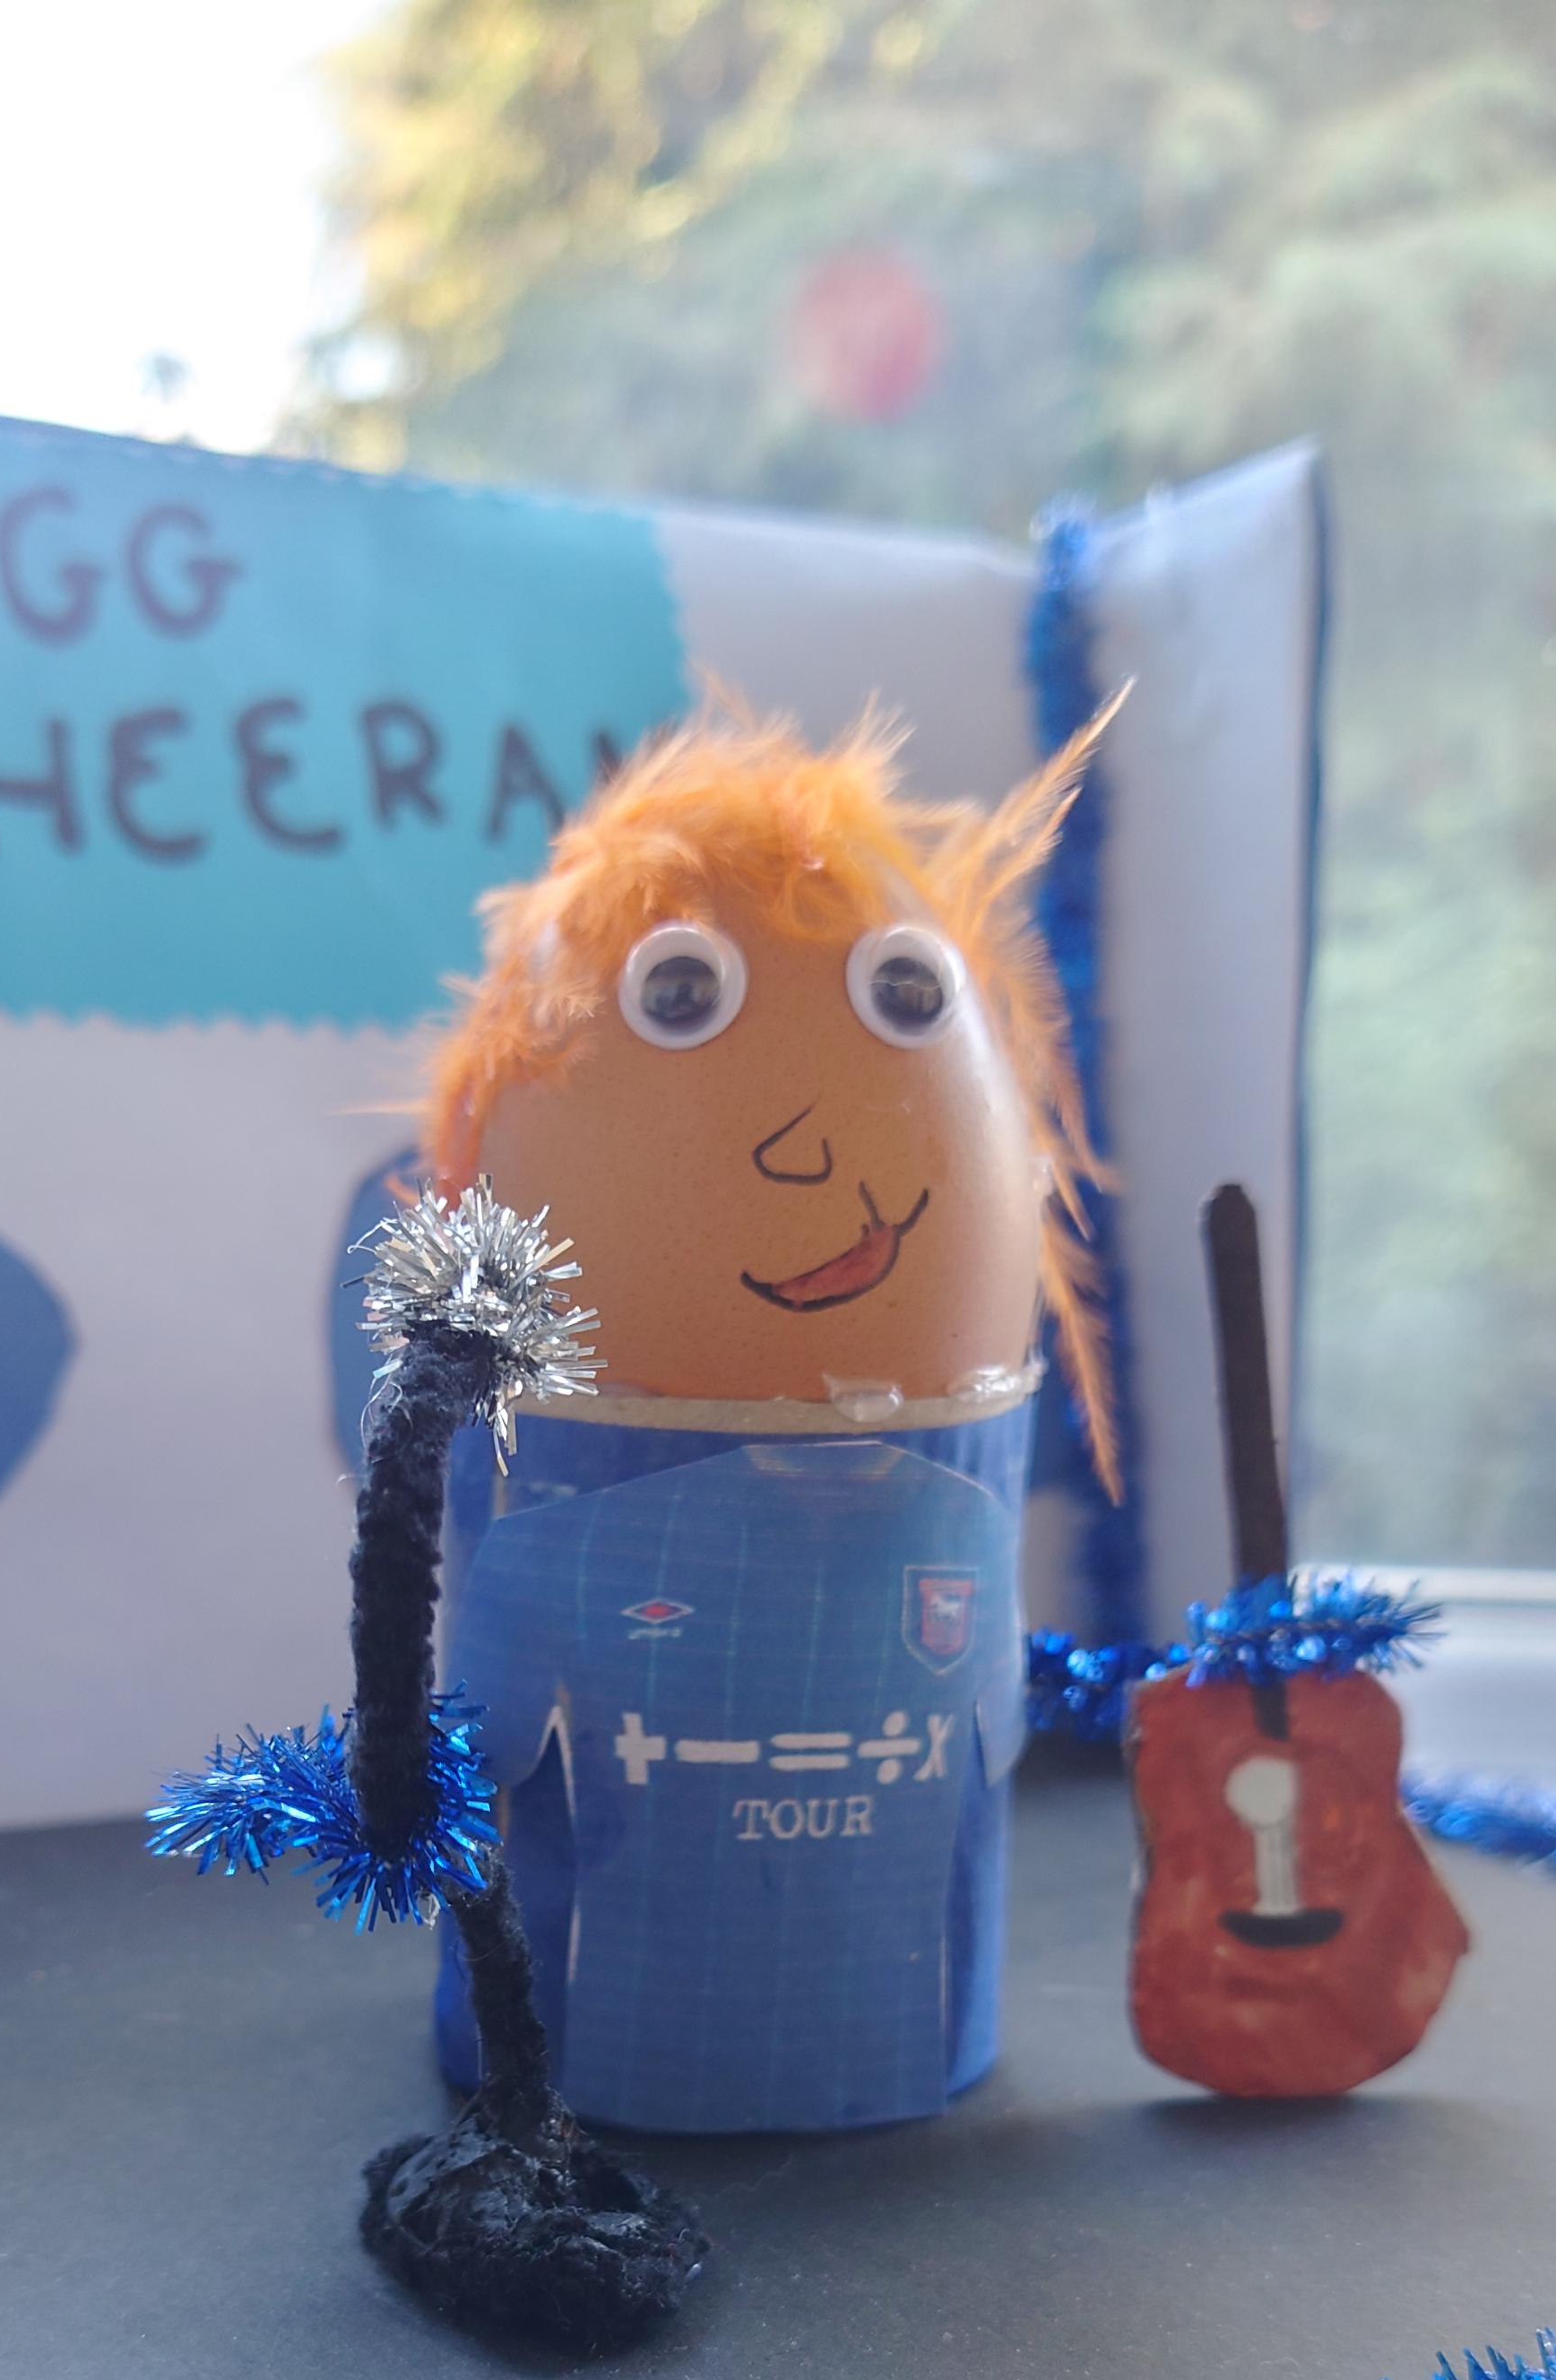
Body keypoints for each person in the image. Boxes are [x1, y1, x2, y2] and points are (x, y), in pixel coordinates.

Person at [423, 700, 1116, 2132]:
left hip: (901, 2016)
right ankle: (554, 2048)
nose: (805, 1150)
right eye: (676, 998)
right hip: (581, 2029)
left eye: (906, 997)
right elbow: (487, 1744)